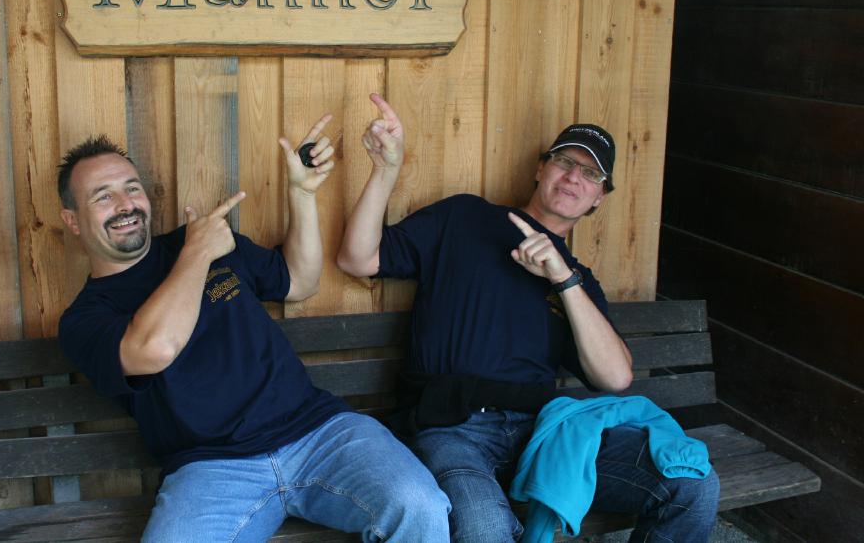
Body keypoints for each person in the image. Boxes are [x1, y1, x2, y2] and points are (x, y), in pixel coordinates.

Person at [337, 94, 720, 543]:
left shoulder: (579, 283)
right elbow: (356, 259)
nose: (574, 177)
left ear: (599, 198)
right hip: (452, 427)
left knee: (691, 483)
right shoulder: (465, 218)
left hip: (544, 435)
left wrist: (564, 280)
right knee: (486, 528)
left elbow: (615, 377)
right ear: (541, 169)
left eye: (591, 174)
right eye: (565, 162)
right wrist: (385, 171)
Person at [56, 116, 450, 543]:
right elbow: (155, 349)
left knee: (419, 505)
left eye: (132, 188)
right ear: (72, 220)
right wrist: (197, 253)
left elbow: (299, 281)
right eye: (103, 196)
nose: (125, 204)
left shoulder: (201, 241)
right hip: (211, 468)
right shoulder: (85, 319)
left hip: (318, 434)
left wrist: (302, 194)